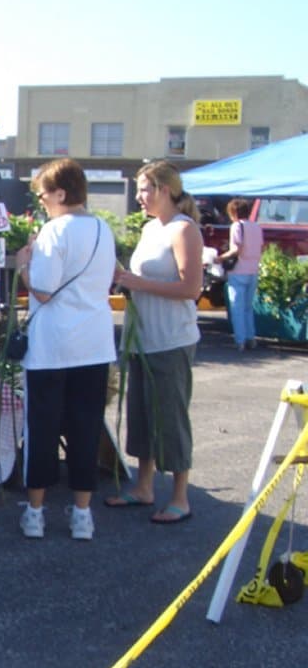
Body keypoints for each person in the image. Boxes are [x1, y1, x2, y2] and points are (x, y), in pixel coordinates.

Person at [13, 158, 117, 540]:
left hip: (52, 346)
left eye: (42, 193)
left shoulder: (54, 231)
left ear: (60, 193)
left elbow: (42, 289)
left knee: (42, 428)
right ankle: (82, 514)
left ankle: (36, 512)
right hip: (94, 343)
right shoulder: (104, 229)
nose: (41, 200)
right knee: (85, 430)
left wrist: (23, 265)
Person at [107, 161, 203, 524]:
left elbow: (190, 289)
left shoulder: (183, 230)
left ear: (165, 189)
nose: (140, 197)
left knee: (171, 418)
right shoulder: (151, 229)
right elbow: (142, 278)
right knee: (142, 416)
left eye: (145, 189)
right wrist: (123, 279)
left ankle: (180, 497)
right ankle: (144, 487)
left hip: (171, 341)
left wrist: (137, 282)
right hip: (141, 340)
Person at [214, 197, 263, 351]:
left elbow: (236, 249)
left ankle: (240, 340)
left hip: (238, 270)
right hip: (253, 270)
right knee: (248, 307)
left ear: (233, 212)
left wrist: (220, 258)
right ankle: (251, 337)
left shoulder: (236, 226)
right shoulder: (256, 227)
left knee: (237, 307)